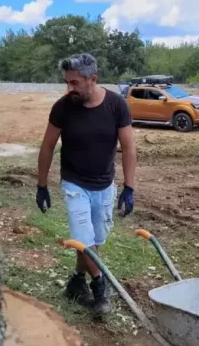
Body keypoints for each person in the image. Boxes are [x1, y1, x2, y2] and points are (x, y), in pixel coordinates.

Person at [36, 53, 137, 316]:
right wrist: (42, 185)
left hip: (104, 184)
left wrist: (129, 187)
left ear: (93, 79)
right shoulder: (62, 107)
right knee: (83, 238)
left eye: (75, 83)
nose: (69, 88)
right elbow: (47, 146)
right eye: (66, 82)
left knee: (94, 240)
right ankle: (100, 287)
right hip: (74, 184)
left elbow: (128, 147)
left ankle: (76, 281)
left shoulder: (116, 105)